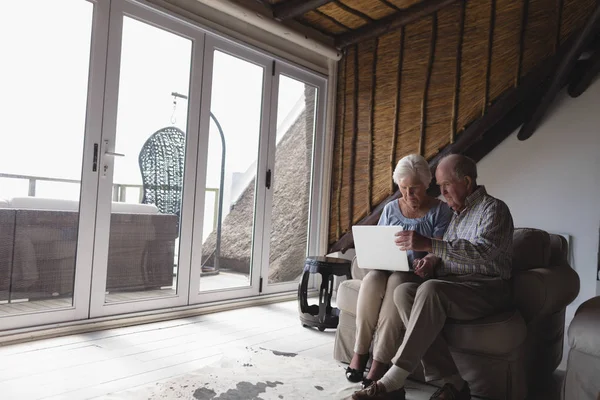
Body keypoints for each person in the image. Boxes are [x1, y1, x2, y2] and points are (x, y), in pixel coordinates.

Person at [349, 154, 514, 400]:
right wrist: (431, 260)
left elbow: (483, 252)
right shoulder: (458, 215)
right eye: (440, 186)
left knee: (430, 290)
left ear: (467, 182)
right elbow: (448, 254)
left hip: (487, 289)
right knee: (403, 292)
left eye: (446, 185)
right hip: (457, 287)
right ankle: (455, 384)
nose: (442, 192)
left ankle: (393, 380)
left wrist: (430, 246)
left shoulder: (494, 209)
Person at [345, 154, 453, 387]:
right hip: (387, 268)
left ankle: (379, 363)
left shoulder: (441, 211)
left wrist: (430, 259)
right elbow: (379, 243)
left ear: (426, 184)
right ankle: (359, 352)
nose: (408, 195)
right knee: (372, 279)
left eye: (414, 189)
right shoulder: (391, 208)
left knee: (397, 282)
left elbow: (440, 248)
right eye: (403, 188)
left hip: (415, 273)